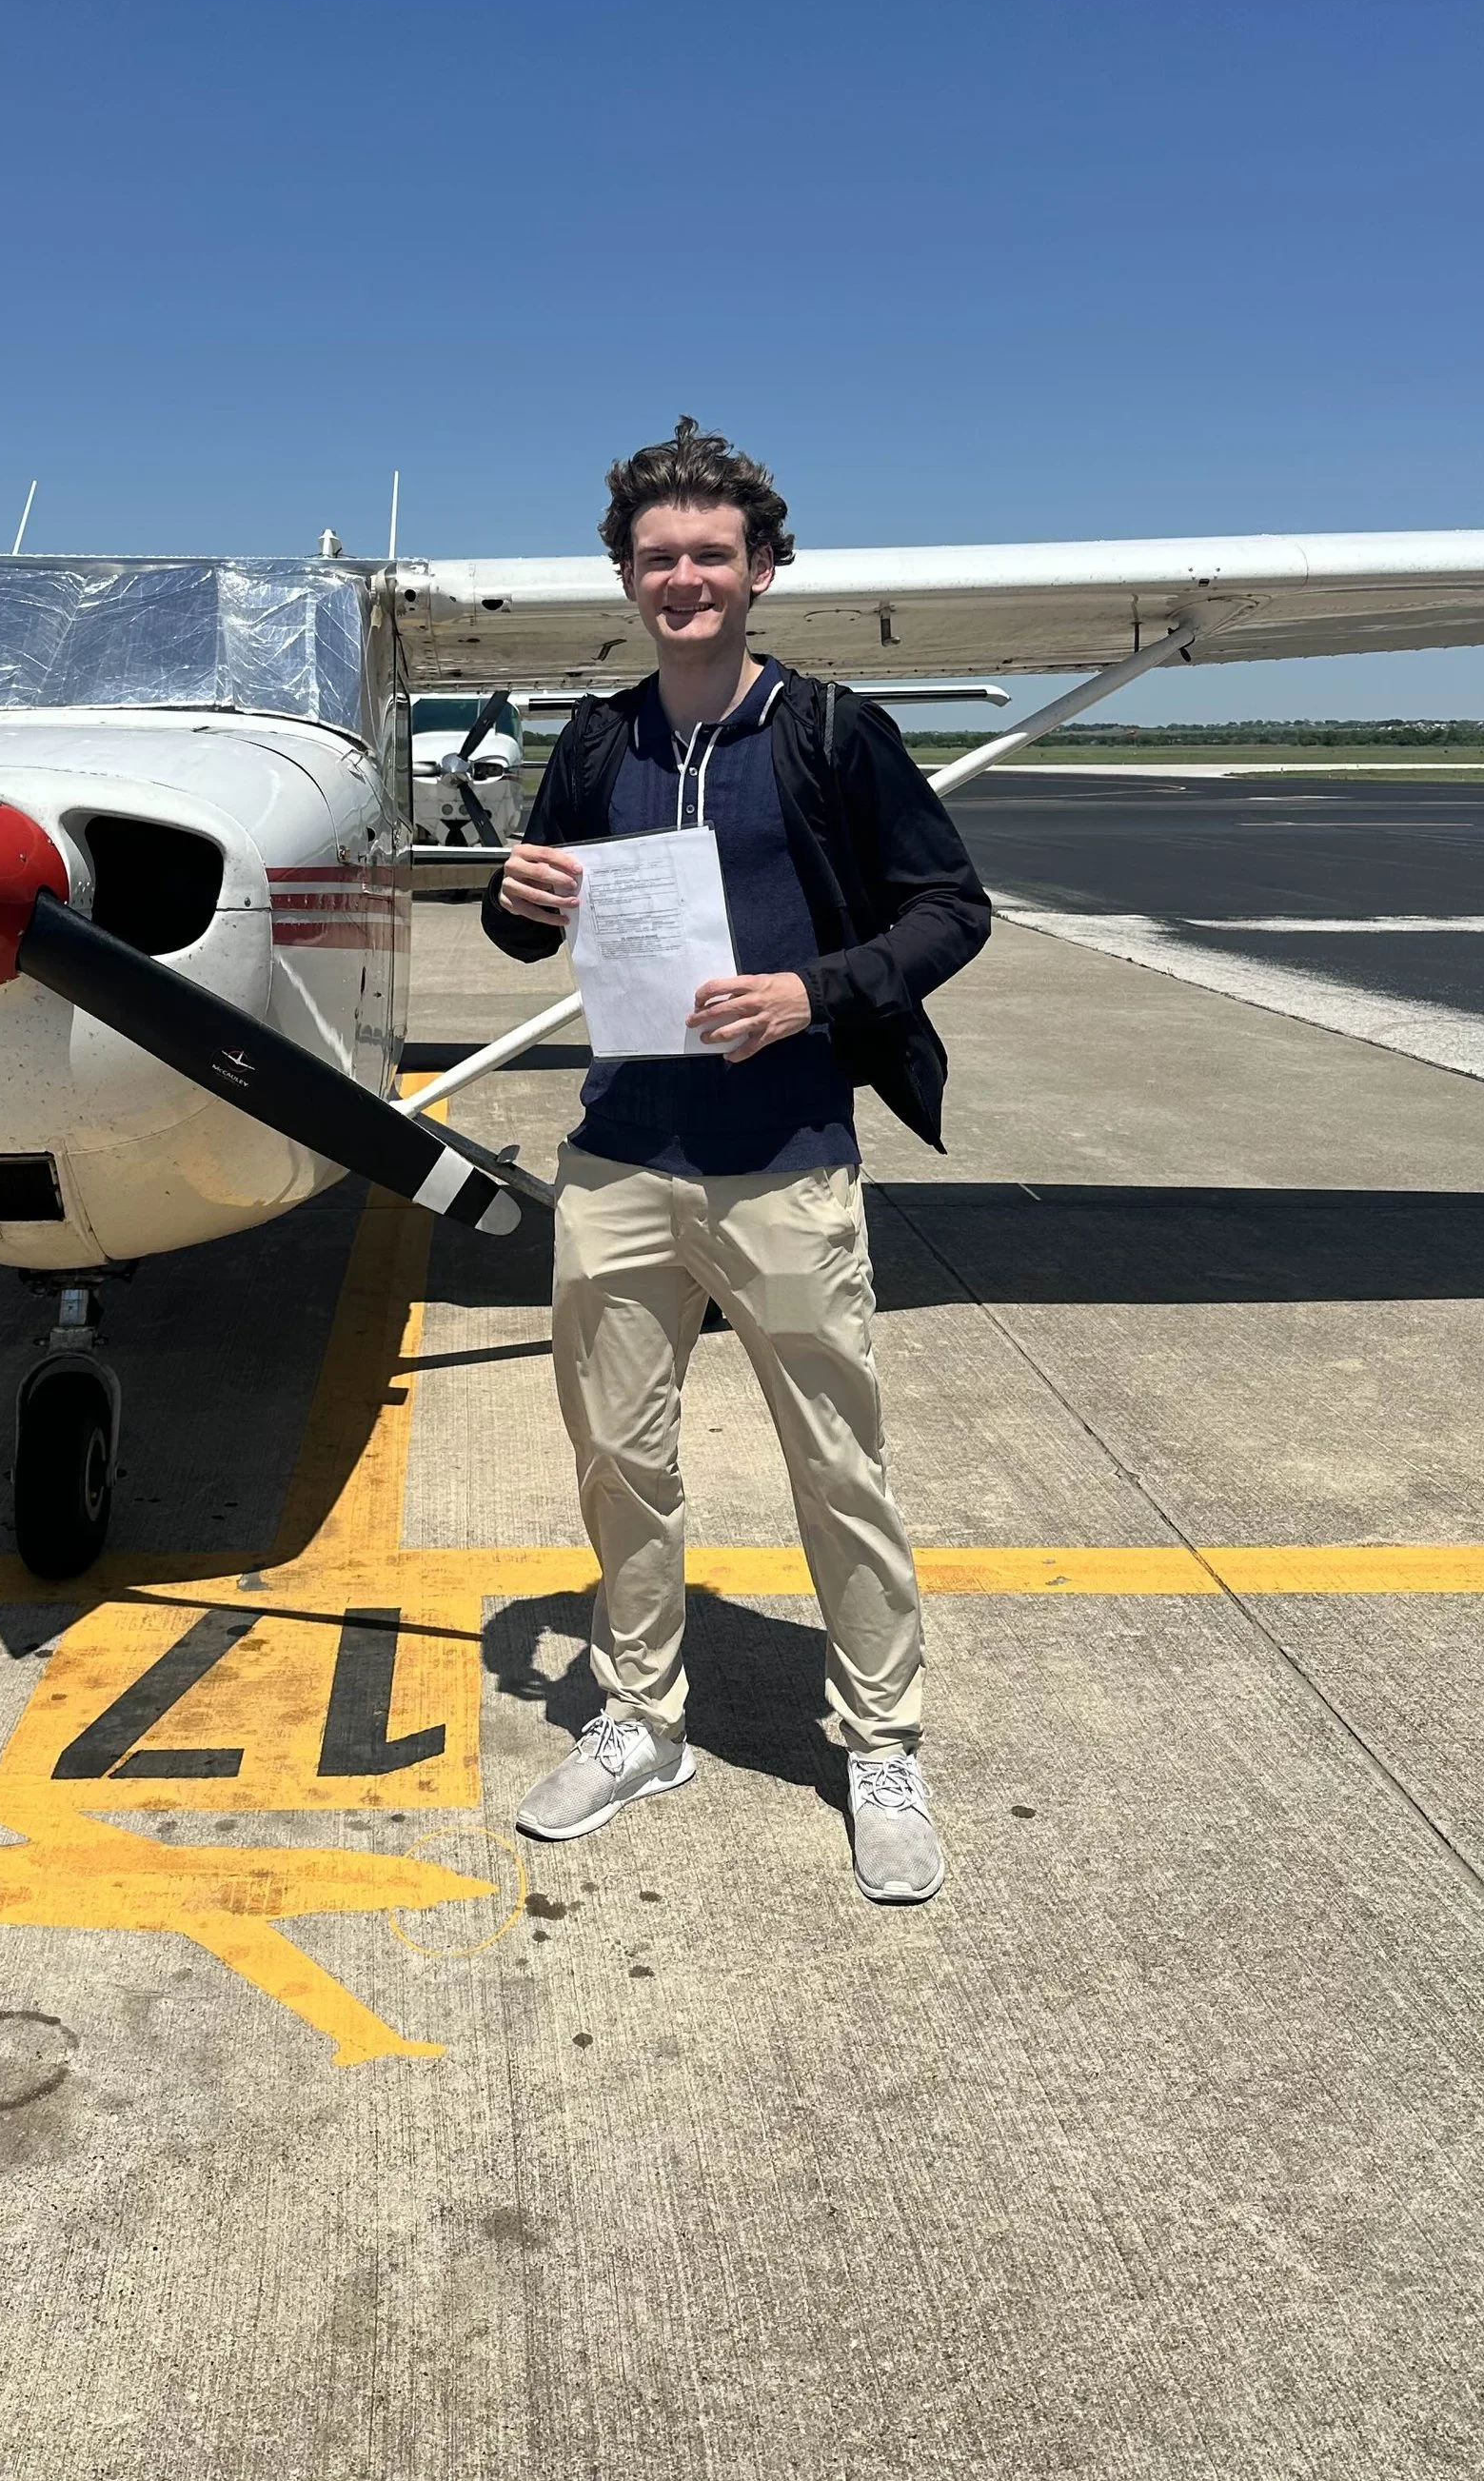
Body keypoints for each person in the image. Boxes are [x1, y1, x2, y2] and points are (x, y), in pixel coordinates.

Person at [482, 416, 991, 1902]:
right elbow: (536, 922)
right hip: (623, 1156)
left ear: (764, 568)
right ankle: (643, 1718)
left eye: (713, 554)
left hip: (787, 1157)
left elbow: (950, 907)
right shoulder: (597, 741)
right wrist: (516, 892)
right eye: (659, 558)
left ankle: (880, 1741)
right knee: (618, 1461)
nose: (685, 578)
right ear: (626, 577)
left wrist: (812, 994)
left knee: (840, 1464)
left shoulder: (832, 732)